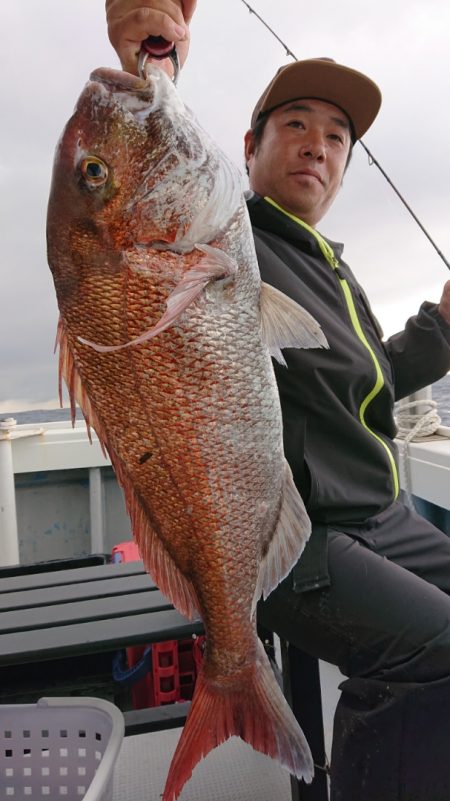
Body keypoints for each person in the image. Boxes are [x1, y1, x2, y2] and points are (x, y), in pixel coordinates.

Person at [106, 3, 450, 799]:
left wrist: (440, 325)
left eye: (337, 137)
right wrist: (150, 65)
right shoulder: (230, 234)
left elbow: (373, 381)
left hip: (377, 515)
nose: (318, 146)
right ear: (249, 149)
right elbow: (152, 186)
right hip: (289, 535)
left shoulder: (329, 264)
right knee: (433, 650)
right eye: (295, 124)